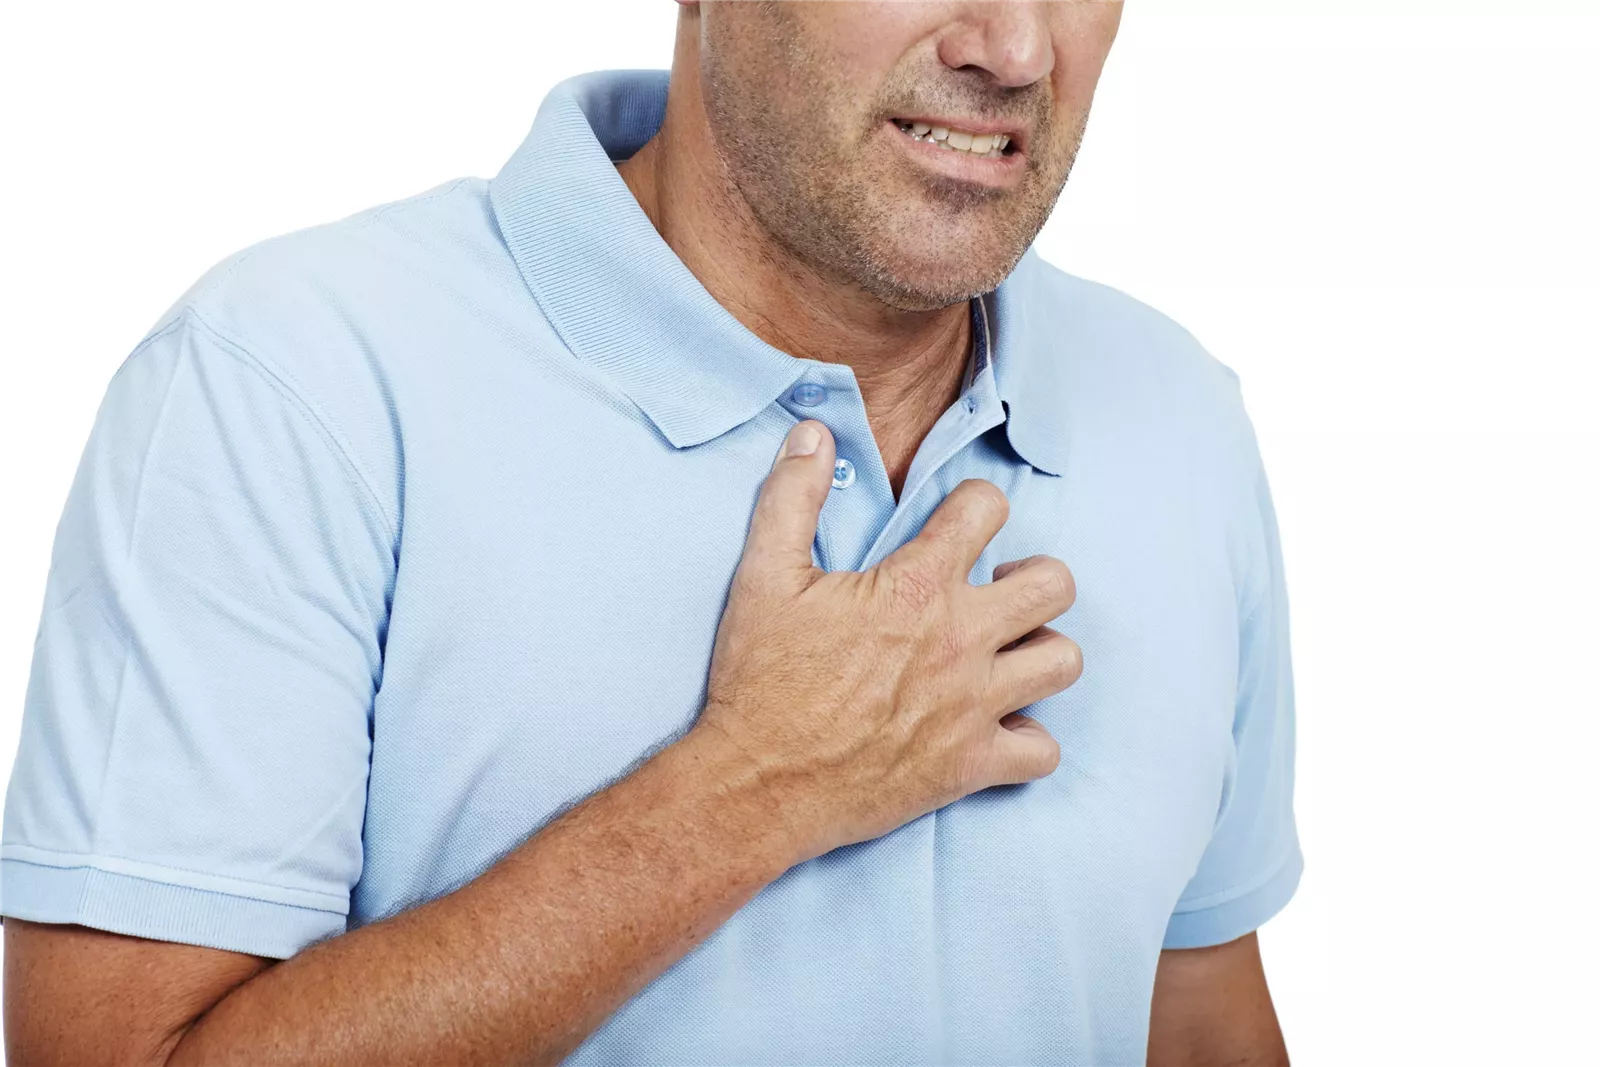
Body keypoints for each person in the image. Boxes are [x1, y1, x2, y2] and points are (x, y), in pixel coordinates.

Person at [0, 2, 1302, 1064]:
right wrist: (751, 788)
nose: (1015, 49)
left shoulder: (1178, 415)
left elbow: (1195, 1027)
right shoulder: (292, 381)